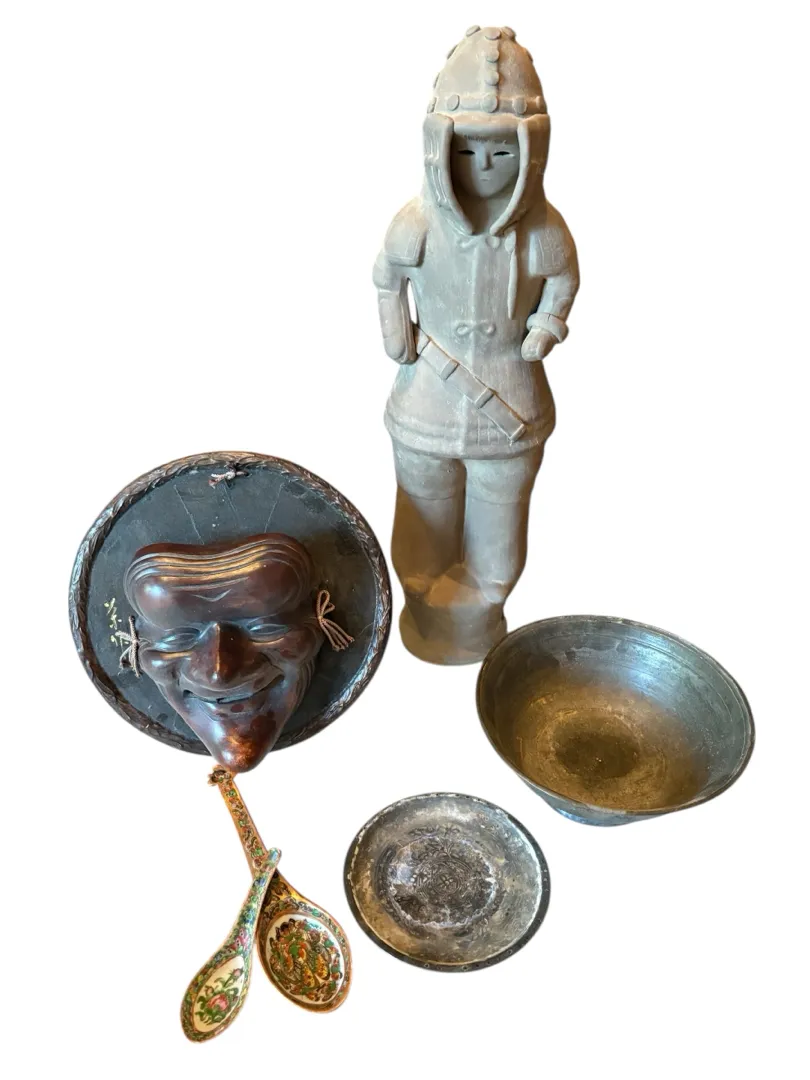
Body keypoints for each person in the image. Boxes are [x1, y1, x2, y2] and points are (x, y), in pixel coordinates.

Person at [373, 25, 579, 663]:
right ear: (438, 147)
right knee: (422, 517)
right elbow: (387, 278)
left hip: (511, 406)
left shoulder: (544, 230)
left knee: (500, 523)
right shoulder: (414, 223)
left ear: (533, 150)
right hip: (426, 402)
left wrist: (547, 324)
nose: (483, 167)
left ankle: (483, 608)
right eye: (466, 150)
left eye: (501, 150)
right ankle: (424, 605)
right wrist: (395, 332)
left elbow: (563, 280)